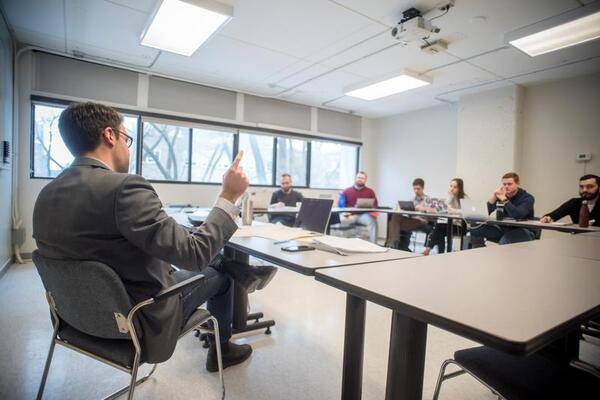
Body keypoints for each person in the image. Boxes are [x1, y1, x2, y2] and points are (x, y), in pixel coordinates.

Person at [32, 102, 275, 373]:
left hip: (75, 318)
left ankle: (240, 270)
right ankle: (223, 350)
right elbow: (194, 255)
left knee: (214, 260)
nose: (128, 147)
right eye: (127, 138)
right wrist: (229, 197)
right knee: (220, 274)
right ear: (110, 136)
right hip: (140, 318)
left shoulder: (46, 194)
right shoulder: (124, 187)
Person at [470, 172, 535, 247]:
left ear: (517, 184)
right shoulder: (501, 196)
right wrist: (494, 197)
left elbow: (517, 215)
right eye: (504, 184)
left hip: (523, 231)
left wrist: (504, 199)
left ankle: (500, 257)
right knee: (475, 227)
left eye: (509, 184)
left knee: (506, 240)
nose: (506, 186)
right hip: (503, 229)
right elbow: (484, 213)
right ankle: (479, 252)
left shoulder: (528, 198)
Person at [385, 178, 433, 251]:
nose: (416, 191)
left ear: (423, 188)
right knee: (395, 217)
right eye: (414, 189)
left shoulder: (428, 199)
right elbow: (409, 212)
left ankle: (392, 244)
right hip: (411, 220)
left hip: (421, 222)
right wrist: (403, 208)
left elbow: (433, 212)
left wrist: (422, 209)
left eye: (418, 189)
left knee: (394, 223)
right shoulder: (412, 199)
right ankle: (396, 245)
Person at [422, 178, 467, 256]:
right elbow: (445, 209)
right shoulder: (450, 197)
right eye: (451, 186)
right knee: (440, 230)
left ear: (460, 189)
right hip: (451, 224)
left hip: (461, 226)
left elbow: (464, 212)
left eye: (455, 187)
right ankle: (440, 254)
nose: (452, 189)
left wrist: (452, 210)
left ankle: (429, 249)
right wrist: (450, 198)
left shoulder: (464, 198)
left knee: (439, 227)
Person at [339, 171, 379, 242]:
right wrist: (345, 211)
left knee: (373, 222)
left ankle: (374, 245)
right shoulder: (346, 191)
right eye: (359, 177)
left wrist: (371, 210)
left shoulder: (370, 191)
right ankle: (342, 243)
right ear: (355, 178)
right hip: (350, 215)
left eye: (363, 178)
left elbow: (375, 204)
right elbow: (340, 205)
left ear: (365, 180)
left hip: (364, 215)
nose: (360, 179)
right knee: (341, 220)